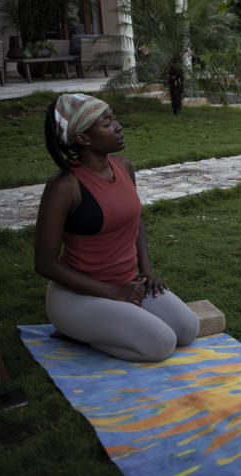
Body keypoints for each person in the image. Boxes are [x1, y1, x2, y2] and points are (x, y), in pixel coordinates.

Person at [34, 93, 199, 361]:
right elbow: (44, 263)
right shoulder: (64, 187)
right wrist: (113, 293)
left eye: (114, 118)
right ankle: (79, 332)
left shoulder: (123, 166)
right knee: (162, 343)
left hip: (128, 285)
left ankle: (105, 328)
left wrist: (146, 272)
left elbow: (135, 222)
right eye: (106, 123)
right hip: (77, 297)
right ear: (83, 138)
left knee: (188, 329)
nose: (118, 126)